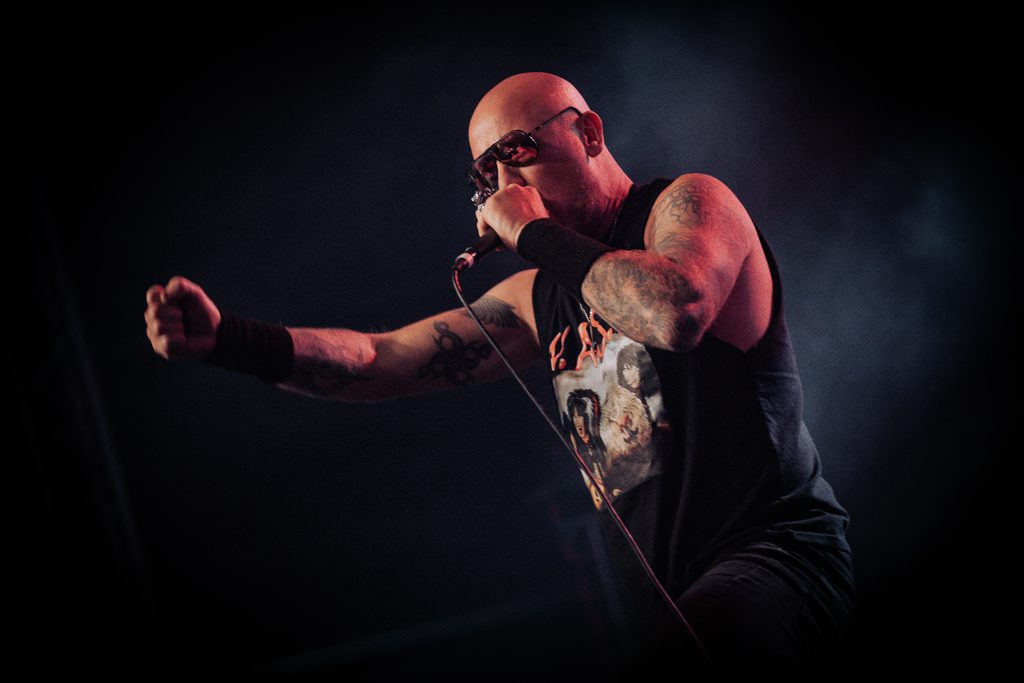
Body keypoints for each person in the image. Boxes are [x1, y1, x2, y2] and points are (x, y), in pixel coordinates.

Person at [145, 72, 855, 680]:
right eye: (486, 175)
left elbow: (678, 309)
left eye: (516, 152)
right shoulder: (534, 300)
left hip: (778, 557)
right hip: (675, 596)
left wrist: (533, 233)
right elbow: (377, 361)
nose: (505, 185)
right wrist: (231, 341)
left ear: (589, 133)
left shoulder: (685, 206)